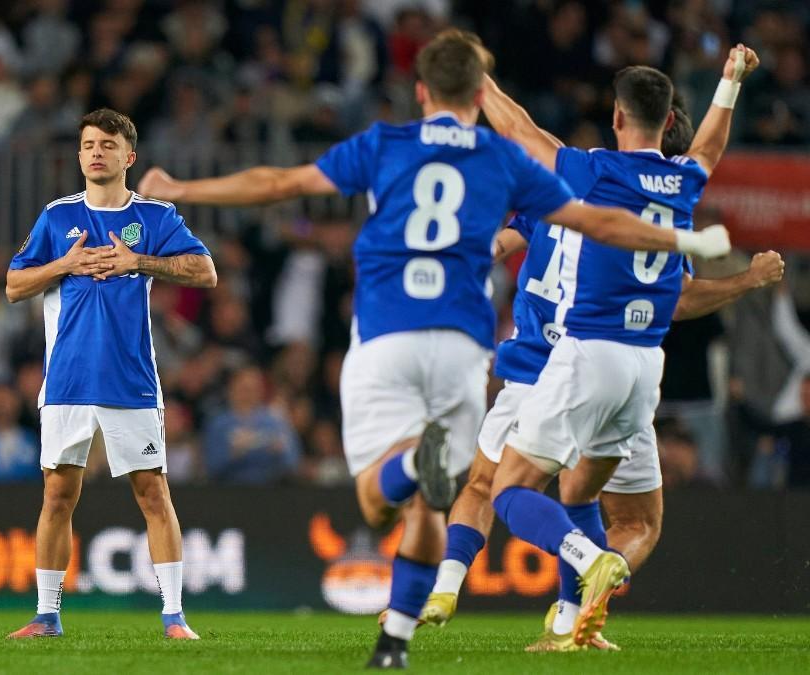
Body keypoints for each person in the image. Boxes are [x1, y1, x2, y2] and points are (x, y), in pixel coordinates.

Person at [138, 30, 730, 670]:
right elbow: (597, 219)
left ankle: (450, 524)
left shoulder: (387, 143)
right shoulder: (508, 165)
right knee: (479, 497)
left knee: (390, 496)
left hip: (390, 336)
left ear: (420, 91)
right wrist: (686, 245)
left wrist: (185, 189)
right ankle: (401, 637)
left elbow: (281, 180)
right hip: (469, 348)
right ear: (477, 93)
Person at [421, 49, 777, 652]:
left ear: (616, 118)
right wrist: (729, 83)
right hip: (646, 367)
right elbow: (711, 151)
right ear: (669, 124)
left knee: (504, 491)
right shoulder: (683, 182)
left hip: (581, 357)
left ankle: (587, 561)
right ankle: (571, 625)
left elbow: (520, 130)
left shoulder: (588, 174)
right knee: (630, 518)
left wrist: (477, 80)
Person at [3, 108, 216, 640]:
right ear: (79, 156)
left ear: (129, 157)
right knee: (57, 495)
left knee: (152, 492)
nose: (96, 152)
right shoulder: (56, 218)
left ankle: (174, 617)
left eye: (107, 144)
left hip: (130, 379)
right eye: (88, 145)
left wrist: (137, 261)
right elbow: (12, 285)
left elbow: (205, 271)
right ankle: (46, 616)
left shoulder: (156, 217)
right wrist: (63, 266)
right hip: (68, 381)